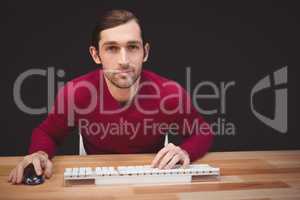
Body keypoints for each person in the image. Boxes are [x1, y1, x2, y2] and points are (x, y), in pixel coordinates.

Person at [8, 9, 214, 184]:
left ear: (145, 52)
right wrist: (39, 153)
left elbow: (202, 131)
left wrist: (185, 151)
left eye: (132, 47)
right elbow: (48, 133)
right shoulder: (76, 93)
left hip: (152, 180)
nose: (124, 60)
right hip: (95, 183)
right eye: (112, 49)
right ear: (96, 55)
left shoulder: (169, 93)